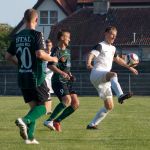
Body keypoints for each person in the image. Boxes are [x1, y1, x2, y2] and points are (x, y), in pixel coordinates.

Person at [5, 9, 58, 144]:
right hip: (37, 76)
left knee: (34, 108)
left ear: (24, 20)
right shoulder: (37, 34)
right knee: (45, 107)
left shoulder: (17, 36)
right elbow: (40, 54)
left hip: (22, 76)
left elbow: (8, 56)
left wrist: (20, 65)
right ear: (36, 20)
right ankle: (24, 120)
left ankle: (30, 138)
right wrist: (53, 58)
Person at [86, 26, 138, 129]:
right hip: (97, 73)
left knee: (109, 106)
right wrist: (88, 63)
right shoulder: (100, 45)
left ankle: (92, 125)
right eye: (111, 34)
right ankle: (120, 95)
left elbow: (118, 60)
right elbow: (91, 54)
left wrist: (130, 68)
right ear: (105, 34)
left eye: (115, 35)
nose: (113, 36)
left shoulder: (113, 48)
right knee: (114, 74)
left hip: (104, 79)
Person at [43, 30, 79, 132]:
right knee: (67, 100)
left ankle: (57, 121)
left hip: (67, 81)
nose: (70, 39)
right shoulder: (56, 51)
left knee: (75, 104)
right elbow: (50, 65)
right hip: (58, 80)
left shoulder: (67, 51)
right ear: (62, 38)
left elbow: (66, 68)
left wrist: (70, 75)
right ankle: (49, 120)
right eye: (68, 37)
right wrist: (62, 73)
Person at [45, 39, 54, 114]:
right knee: (46, 93)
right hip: (42, 77)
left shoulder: (53, 55)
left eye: (49, 45)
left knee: (48, 93)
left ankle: (48, 109)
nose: (48, 47)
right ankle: (48, 110)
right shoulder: (42, 54)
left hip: (49, 77)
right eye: (47, 45)